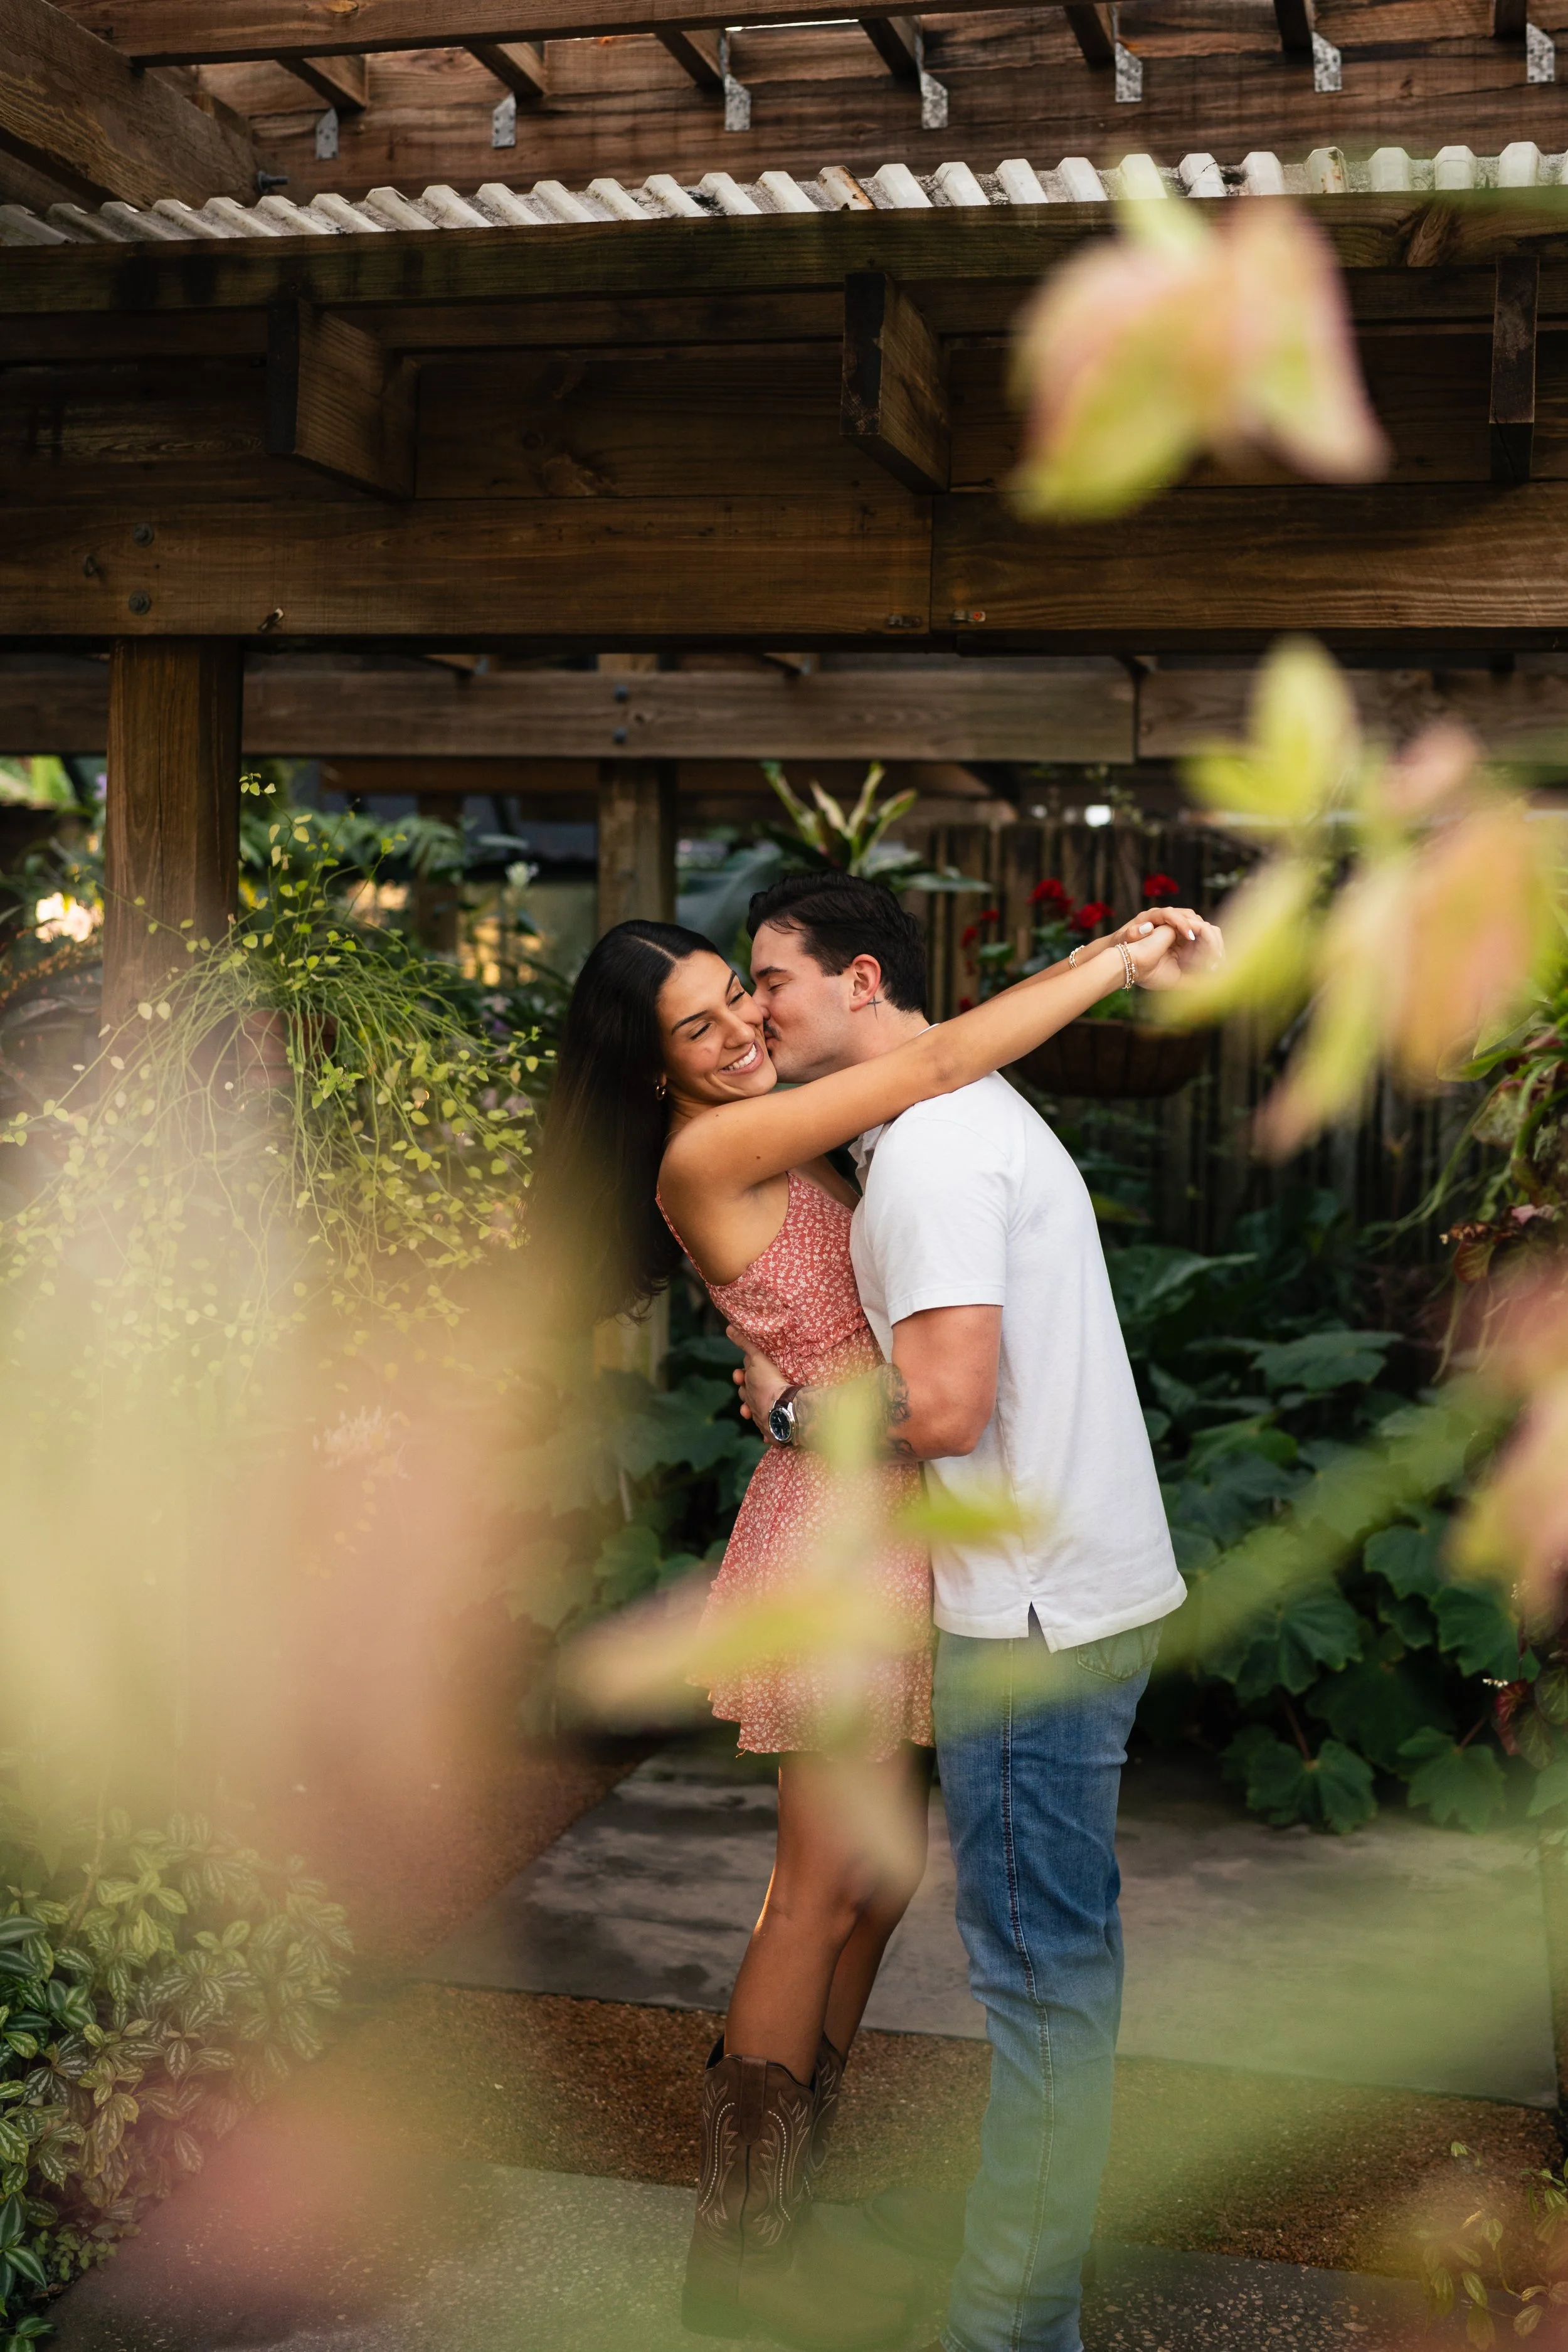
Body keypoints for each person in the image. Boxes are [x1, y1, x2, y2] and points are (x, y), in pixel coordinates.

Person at [531, 885, 1207, 2352]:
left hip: (897, 1521)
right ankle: (744, 2266)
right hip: (836, 1535)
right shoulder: (713, 1145)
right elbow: (927, 1064)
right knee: (818, 1885)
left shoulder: (807, 1122)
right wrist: (1109, 960)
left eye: (740, 995)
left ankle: (794, 2209)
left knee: (876, 1884)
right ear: (652, 1068)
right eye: (696, 1026)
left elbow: (904, 1089)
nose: (737, 1032)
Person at [730, 870, 1222, 2352]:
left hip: (1028, 1618)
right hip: (1072, 1592)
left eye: (774, 979)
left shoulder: (934, 1152)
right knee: (1058, 1969)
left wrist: (795, 1404)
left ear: (861, 979)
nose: (757, 1009)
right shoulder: (956, 1124)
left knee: (1037, 1985)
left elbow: (941, 1410)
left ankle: (1011, 2326)